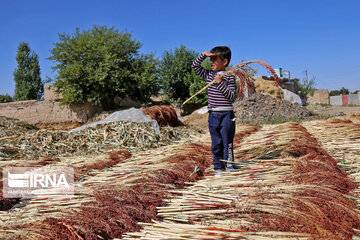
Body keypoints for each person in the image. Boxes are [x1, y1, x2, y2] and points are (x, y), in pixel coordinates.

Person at [191, 46, 236, 174]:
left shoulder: (230, 77)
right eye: (211, 60)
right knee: (216, 142)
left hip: (227, 114)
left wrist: (220, 83)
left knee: (227, 142)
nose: (211, 63)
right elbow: (194, 67)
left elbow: (231, 97)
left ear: (225, 62)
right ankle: (218, 166)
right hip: (213, 115)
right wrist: (203, 55)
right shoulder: (208, 75)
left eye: (215, 59)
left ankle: (229, 165)